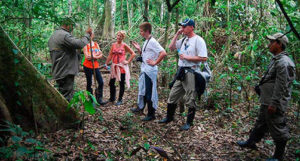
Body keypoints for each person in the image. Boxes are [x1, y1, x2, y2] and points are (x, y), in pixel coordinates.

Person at [236, 33, 295, 161]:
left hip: (274, 102)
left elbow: (281, 86)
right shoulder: (277, 59)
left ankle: (278, 156)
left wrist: (274, 104)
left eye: (272, 42)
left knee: (277, 126)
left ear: (279, 44)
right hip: (267, 99)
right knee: (261, 122)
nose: (269, 44)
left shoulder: (284, 62)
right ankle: (251, 142)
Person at [158, 18, 208, 130]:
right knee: (172, 95)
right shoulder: (184, 40)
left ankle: (189, 123)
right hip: (181, 72)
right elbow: (171, 47)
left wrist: (187, 57)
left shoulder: (198, 40)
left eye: (184, 26)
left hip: (192, 72)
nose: (183, 28)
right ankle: (169, 117)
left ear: (192, 27)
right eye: (182, 26)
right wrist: (177, 34)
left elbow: (204, 58)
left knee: (190, 98)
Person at [48, 17, 92, 101]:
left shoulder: (55, 34)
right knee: (66, 98)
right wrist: (87, 35)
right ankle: (65, 113)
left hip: (59, 71)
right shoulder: (64, 35)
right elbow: (80, 43)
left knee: (62, 94)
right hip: (65, 72)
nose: (73, 28)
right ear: (67, 25)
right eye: (72, 26)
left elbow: (65, 51)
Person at [130, 22, 167, 121]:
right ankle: (141, 108)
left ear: (146, 31)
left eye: (141, 31)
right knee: (143, 90)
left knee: (149, 92)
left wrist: (155, 62)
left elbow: (163, 53)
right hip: (145, 69)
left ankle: (151, 114)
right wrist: (139, 50)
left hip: (150, 71)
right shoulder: (147, 41)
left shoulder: (153, 41)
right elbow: (147, 55)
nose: (140, 33)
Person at [105, 31, 136, 106]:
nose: (118, 37)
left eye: (120, 36)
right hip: (114, 66)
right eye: (118, 35)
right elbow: (110, 55)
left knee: (121, 83)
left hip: (121, 67)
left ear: (123, 37)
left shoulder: (124, 45)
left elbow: (133, 53)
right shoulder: (113, 45)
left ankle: (120, 99)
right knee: (111, 83)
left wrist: (128, 61)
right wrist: (106, 63)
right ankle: (112, 98)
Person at [82, 33, 107, 105]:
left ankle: (99, 99)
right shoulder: (85, 45)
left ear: (93, 35)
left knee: (101, 82)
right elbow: (87, 57)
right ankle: (91, 100)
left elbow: (101, 54)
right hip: (87, 66)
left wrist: (94, 56)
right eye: (88, 35)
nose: (90, 36)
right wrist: (96, 56)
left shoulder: (96, 44)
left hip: (95, 66)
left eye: (91, 34)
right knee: (89, 83)